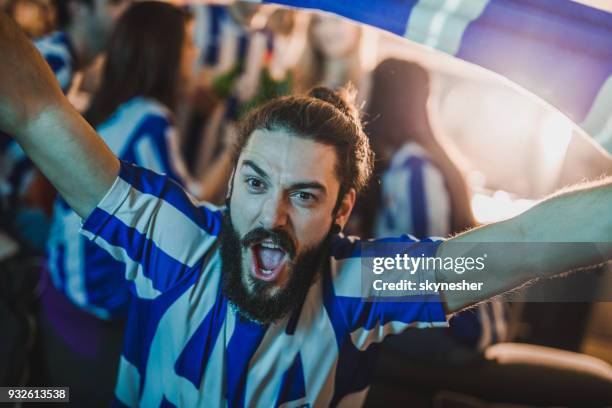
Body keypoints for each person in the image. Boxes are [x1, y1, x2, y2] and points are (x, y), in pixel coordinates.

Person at [0, 13, 611, 407]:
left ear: (343, 208)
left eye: (305, 195)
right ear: (232, 182)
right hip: (69, 357)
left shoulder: (360, 289)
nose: (273, 218)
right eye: (257, 183)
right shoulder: (176, 243)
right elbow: (33, 111)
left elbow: (529, 241)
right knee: (33, 397)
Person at [39, 3, 232, 405]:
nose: (196, 56)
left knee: (44, 392)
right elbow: (189, 215)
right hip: (88, 318)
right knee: (65, 397)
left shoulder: (117, 107)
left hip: (59, 291)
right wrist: (235, 147)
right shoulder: (149, 119)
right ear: (165, 52)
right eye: (189, 46)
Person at [361, 58, 507, 364]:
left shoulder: (415, 169)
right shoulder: (403, 164)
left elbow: (424, 265)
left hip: (457, 326)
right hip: (447, 316)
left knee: (347, 329)